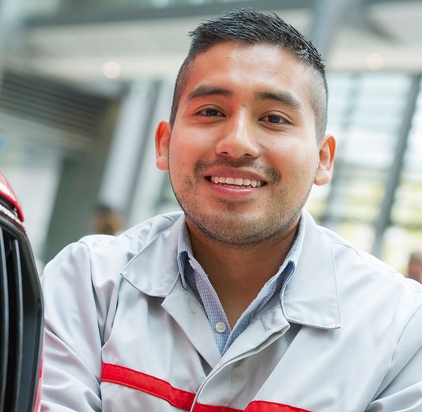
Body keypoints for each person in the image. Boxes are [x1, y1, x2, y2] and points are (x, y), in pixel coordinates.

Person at [39, 8, 422, 411]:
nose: (236, 143)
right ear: (164, 145)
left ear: (323, 159)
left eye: (274, 118)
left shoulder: (401, 328)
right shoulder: (88, 283)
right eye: (210, 112)